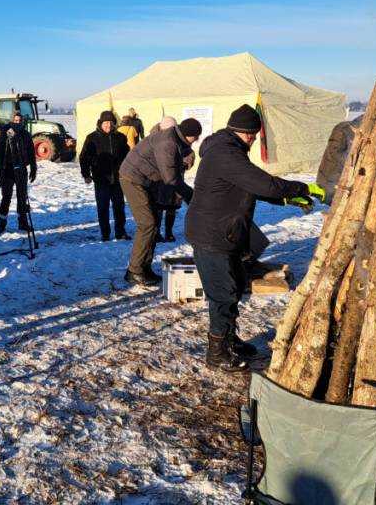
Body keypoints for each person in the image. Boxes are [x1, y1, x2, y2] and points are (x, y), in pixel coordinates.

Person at [186, 104, 324, 371]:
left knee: (235, 286)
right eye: (254, 135)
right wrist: (303, 187)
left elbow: (251, 186)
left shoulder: (228, 149)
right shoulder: (225, 154)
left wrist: (288, 199)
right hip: (212, 234)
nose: (253, 140)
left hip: (226, 232)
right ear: (248, 133)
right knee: (223, 295)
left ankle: (229, 340)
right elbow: (263, 183)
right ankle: (217, 353)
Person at [118, 117, 202, 287]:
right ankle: (134, 271)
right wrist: (190, 196)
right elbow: (171, 179)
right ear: (189, 135)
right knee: (147, 224)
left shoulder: (175, 139)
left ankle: (144, 267)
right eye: (196, 137)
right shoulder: (168, 143)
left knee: (154, 223)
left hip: (146, 180)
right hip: (133, 178)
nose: (197, 140)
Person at [79, 110, 130, 241]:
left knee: (119, 207)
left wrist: (128, 172)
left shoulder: (121, 137)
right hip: (101, 178)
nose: (108, 125)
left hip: (118, 178)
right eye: (105, 123)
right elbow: (84, 157)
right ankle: (105, 233)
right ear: (101, 123)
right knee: (103, 207)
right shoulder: (92, 138)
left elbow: (127, 157)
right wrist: (86, 174)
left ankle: (120, 232)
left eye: (111, 123)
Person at [0, 111, 36, 234]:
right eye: (15, 120)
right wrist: (0, 171)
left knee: (22, 197)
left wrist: (33, 167)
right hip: (7, 170)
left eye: (20, 121)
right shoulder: (5, 133)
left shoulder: (26, 134)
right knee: (6, 197)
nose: (17, 123)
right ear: (12, 120)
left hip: (22, 168)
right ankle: (2, 223)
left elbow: (31, 152)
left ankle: (22, 223)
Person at [153, 150, 195, 243]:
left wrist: (182, 163)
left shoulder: (184, 147)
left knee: (172, 207)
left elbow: (190, 160)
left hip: (177, 181)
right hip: (161, 180)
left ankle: (169, 232)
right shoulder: (162, 144)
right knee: (158, 207)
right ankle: (156, 233)